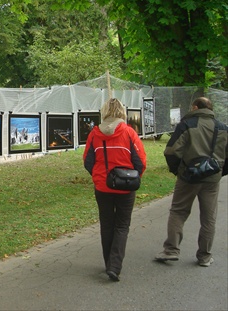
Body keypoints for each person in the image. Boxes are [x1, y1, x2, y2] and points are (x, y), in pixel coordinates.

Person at [155, 97, 228, 267]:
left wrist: (178, 171)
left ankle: (171, 250)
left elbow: (171, 152)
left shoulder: (187, 125)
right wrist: (219, 172)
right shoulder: (223, 128)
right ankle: (204, 256)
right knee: (209, 217)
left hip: (188, 176)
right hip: (212, 178)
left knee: (178, 212)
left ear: (195, 107)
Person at [83, 98, 147, 282]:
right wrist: (134, 178)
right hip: (126, 187)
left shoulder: (94, 134)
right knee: (122, 225)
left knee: (107, 224)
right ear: (122, 112)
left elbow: (88, 161)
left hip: (102, 186)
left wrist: (98, 176)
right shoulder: (128, 133)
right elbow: (140, 161)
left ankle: (108, 263)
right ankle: (115, 266)